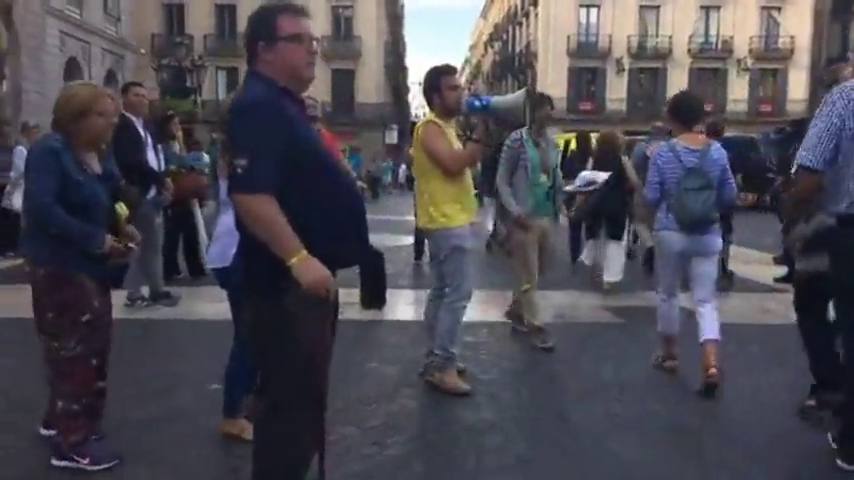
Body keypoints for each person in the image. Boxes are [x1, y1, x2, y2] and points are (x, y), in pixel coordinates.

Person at [227, 4, 369, 479]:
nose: (314, 50)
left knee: (301, 406)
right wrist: (299, 258)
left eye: (315, 41)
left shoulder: (284, 105)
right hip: (282, 289)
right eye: (301, 41)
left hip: (301, 288)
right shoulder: (258, 106)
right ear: (264, 49)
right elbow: (250, 195)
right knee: (289, 413)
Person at [23, 81, 140, 471]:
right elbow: (43, 209)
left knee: (93, 347)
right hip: (60, 268)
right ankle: (72, 442)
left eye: (113, 116)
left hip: (92, 268)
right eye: (103, 116)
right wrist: (95, 239)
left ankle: (67, 420)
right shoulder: (50, 152)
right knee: (74, 351)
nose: (112, 123)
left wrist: (122, 226)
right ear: (77, 117)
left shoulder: (98, 153)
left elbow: (110, 199)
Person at [644, 90, 737, 398]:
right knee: (706, 300)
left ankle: (670, 354)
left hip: (671, 231)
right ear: (701, 117)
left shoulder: (662, 153)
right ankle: (711, 363)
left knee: (668, 294)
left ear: (672, 118)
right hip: (707, 232)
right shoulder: (717, 152)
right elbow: (729, 195)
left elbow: (651, 197)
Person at [786, 76, 854, 471]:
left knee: (812, 303)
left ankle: (834, 392)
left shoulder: (845, 98)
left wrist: (796, 222)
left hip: (844, 231)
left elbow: (810, 171)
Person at [412, 63, 486, 395]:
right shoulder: (430, 128)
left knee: (443, 292)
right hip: (447, 222)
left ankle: (437, 358)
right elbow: (454, 165)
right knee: (457, 295)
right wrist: (481, 133)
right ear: (435, 96)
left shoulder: (446, 128)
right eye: (453, 88)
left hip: (450, 220)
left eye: (460, 87)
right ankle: (443, 365)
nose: (461, 93)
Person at [495, 92, 563, 351]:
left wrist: (562, 202)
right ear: (532, 112)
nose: (549, 113)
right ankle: (537, 327)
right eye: (544, 108)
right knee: (529, 275)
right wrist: (513, 211)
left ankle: (516, 309)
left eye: (551, 108)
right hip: (524, 218)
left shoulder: (551, 142)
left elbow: (555, 175)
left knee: (538, 270)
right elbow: (502, 179)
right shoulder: (516, 141)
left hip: (547, 214)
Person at [112, 81, 180, 307]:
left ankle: (155, 289)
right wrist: (159, 180)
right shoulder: (124, 127)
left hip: (151, 192)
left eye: (144, 95)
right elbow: (133, 163)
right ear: (124, 98)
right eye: (137, 95)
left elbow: (152, 155)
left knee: (152, 245)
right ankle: (136, 293)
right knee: (142, 246)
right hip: (137, 194)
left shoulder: (143, 126)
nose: (143, 100)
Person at [207, 151, 258, 441]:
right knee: (249, 337)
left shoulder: (240, 149)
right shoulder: (247, 154)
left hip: (231, 249)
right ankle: (233, 413)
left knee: (254, 334)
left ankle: (246, 403)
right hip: (236, 251)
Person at [578, 131, 640, 291]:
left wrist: (578, 205)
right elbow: (634, 181)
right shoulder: (622, 160)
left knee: (596, 237)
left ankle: (594, 268)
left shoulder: (593, 160)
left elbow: (585, 185)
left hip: (597, 205)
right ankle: (610, 279)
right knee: (615, 243)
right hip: (617, 205)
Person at [156, 112, 207, 281]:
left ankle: (195, 267)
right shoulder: (163, 147)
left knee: (190, 231)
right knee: (172, 233)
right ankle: (170, 269)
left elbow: (186, 163)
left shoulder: (177, 146)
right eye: (174, 125)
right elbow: (172, 165)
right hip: (173, 194)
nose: (178, 129)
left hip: (184, 194)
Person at [0, 121, 40, 256]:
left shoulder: (26, 149)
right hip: (15, 188)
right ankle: (8, 247)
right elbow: (18, 170)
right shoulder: (19, 149)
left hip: (20, 188)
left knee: (16, 218)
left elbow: (22, 170)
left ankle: (15, 247)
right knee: (11, 218)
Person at [704, 119, 735, 289]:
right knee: (724, 235)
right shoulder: (724, 151)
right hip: (721, 202)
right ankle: (723, 267)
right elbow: (729, 182)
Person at [563, 131, 593, 264]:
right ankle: (589, 256)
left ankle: (574, 256)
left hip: (573, 194)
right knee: (590, 229)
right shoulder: (593, 156)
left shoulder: (572, 156)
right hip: (590, 196)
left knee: (574, 229)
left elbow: (565, 173)